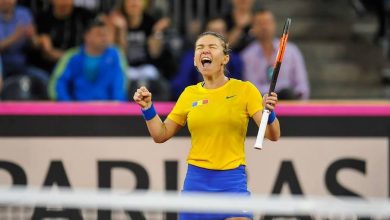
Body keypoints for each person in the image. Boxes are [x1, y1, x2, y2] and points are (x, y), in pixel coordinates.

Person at [133, 31, 280, 220]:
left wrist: (270, 113)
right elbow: (160, 134)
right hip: (196, 183)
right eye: (200, 48)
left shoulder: (245, 90)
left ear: (225, 58)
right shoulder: (189, 94)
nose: (205, 51)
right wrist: (148, 108)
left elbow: (272, 134)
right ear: (195, 61)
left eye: (212, 47)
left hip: (232, 183)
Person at [48, 16, 127, 101]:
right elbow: (59, 84)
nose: (104, 37)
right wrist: (67, 106)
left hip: (108, 109)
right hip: (77, 109)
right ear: (87, 36)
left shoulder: (116, 55)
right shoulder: (72, 56)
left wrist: (117, 108)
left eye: (106, 34)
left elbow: (120, 85)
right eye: (99, 34)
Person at [241, 9, 310, 100]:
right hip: (261, 104)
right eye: (260, 23)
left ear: (274, 25)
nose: (264, 27)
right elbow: (250, 87)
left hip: (289, 101)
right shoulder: (247, 55)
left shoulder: (291, 51)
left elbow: (302, 86)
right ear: (253, 27)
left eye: (267, 22)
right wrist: (274, 94)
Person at [171, 17, 243, 100]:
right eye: (212, 32)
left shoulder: (235, 60)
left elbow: (238, 89)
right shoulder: (191, 57)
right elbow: (180, 86)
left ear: (226, 34)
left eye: (220, 32)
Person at [109, 0, 171, 82]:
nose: (134, 3)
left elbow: (154, 53)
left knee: (151, 73)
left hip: (146, 68)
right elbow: (120, 54)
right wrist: (122, 30)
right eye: (129, 1)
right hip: (126, 67)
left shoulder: (149, 21)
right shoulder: (118, 23)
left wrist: (157, 31)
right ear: (124, 4)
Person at [33, 0, 95, 72]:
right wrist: (37, 41)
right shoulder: (42, 18)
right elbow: (45, 53)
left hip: (81, 65)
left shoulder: (84, 15)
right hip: (49, 68)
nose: (65, 2)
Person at [0, 0, 49, 83]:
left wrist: (34, 39)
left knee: (45, 79)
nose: (7, 1)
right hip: (3, 65)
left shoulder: (24, 13)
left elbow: (34, 45)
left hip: (22, 64)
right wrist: (14, 37)